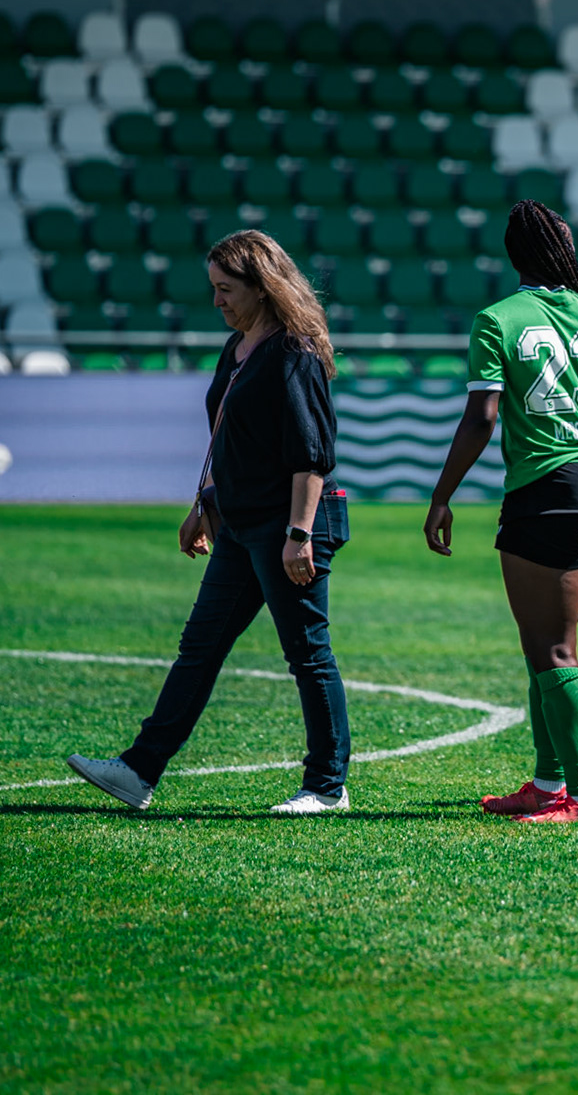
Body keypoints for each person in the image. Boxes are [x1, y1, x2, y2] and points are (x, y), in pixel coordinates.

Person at [67, 229, 352, 814]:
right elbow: (231, 436)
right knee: (199, 647)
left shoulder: (294, 350)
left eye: (226, 289)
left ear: (264, 287)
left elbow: (311, 454)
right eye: (213, 289)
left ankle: (327, 786)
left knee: (307, 653)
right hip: (241, 522)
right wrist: (204, 501)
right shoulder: (239, 345)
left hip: (288, 526)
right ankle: (139, 771)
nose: (216, 301)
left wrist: (299, 535)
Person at [423, 201, 578, 825]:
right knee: (546, 648)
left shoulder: (497, 319)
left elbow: (481, 418)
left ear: (512, 256)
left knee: (554, 651)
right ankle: (547, 784)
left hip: (548, 490)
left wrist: (441, 495)